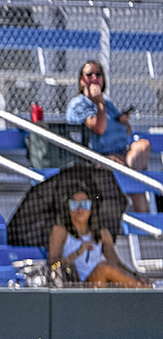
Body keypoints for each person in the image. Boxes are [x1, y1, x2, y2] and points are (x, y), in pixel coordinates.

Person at [66, 60, 152, 213]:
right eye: (89, 74)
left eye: (98, 74)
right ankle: (137, 207)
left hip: (123, 154)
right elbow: (98, 128)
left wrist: (124, 122)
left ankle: (146, 220)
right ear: (81, 80)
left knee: (143, 146)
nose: (94, 78)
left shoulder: (108, 104)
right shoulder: (78, 103)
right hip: (98, 157)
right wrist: (99, 103)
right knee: (135, 174)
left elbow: (126, 132)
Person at [47, 186, 148, 287]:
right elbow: (53, 265)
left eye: (85, 205)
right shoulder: (60, 231)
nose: (80, 210)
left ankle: (141, 286)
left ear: (92, 207)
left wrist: (134, 275)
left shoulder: (102, 233)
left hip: (96, 283)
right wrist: (77, 253)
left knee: (105, 270)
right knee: (102, 269)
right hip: (71, 284)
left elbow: (115, 263)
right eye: (74, 205)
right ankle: (142, 289)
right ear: (67, 208)